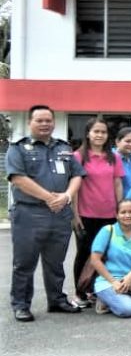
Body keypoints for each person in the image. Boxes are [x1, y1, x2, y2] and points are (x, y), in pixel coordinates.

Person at [7, 105, 85, 322]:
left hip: (60, 214)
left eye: (48, 120)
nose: (44, 124)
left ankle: (57, 300)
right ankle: (21, 304)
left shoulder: (64, 148)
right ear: (30, 122)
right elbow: (18, 179)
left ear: (53, 122)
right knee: (24, 263)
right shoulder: (18, 148)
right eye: (39, 120)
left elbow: (77, 175)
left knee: (56, 261)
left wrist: (67, 196)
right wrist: (50, 198)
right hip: (29, 214)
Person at [72, 117, 125, 306]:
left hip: (109, 214)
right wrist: (75, 215)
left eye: (103, 132)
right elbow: (74, 187)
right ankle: (79, 293)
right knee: (85, 253)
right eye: (96, 131)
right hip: (86, 214)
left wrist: (120, 209)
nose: (100, 135)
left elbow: (117, 184)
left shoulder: (114, 157)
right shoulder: (78, 157)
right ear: (88, 134)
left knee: (104, 254)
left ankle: (94, 290)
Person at [89, 199, 131, 317]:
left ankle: (126, 299)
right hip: (107, 281)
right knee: (129, 310)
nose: (127, 215)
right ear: (117, 215)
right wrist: (113, 282)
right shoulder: (107, 231)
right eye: (123, 212)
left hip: (128, 278)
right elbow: (95, 260)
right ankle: (105, 301)